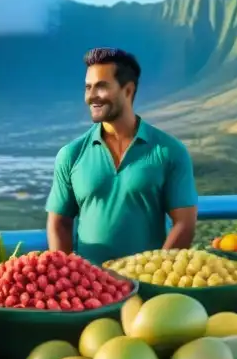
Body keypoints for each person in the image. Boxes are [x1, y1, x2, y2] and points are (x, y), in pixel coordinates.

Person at [45, 48, 198, 265]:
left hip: (147, 288)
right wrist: (68, 277)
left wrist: (156, 274)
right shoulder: (71, 154)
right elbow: (59, 223)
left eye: (101, 86)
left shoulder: (169, 151)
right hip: (90, 291)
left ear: (128, 90)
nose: (91, 96)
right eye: (88, 87)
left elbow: (185, 223)